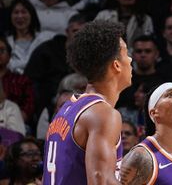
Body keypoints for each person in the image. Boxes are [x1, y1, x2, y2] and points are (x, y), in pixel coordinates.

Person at [44, 20, 133, 184]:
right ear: (116, 65)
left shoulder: (67, 109)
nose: (130, 59)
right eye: (127, 53)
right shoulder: (103, 114)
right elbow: (102, 180)